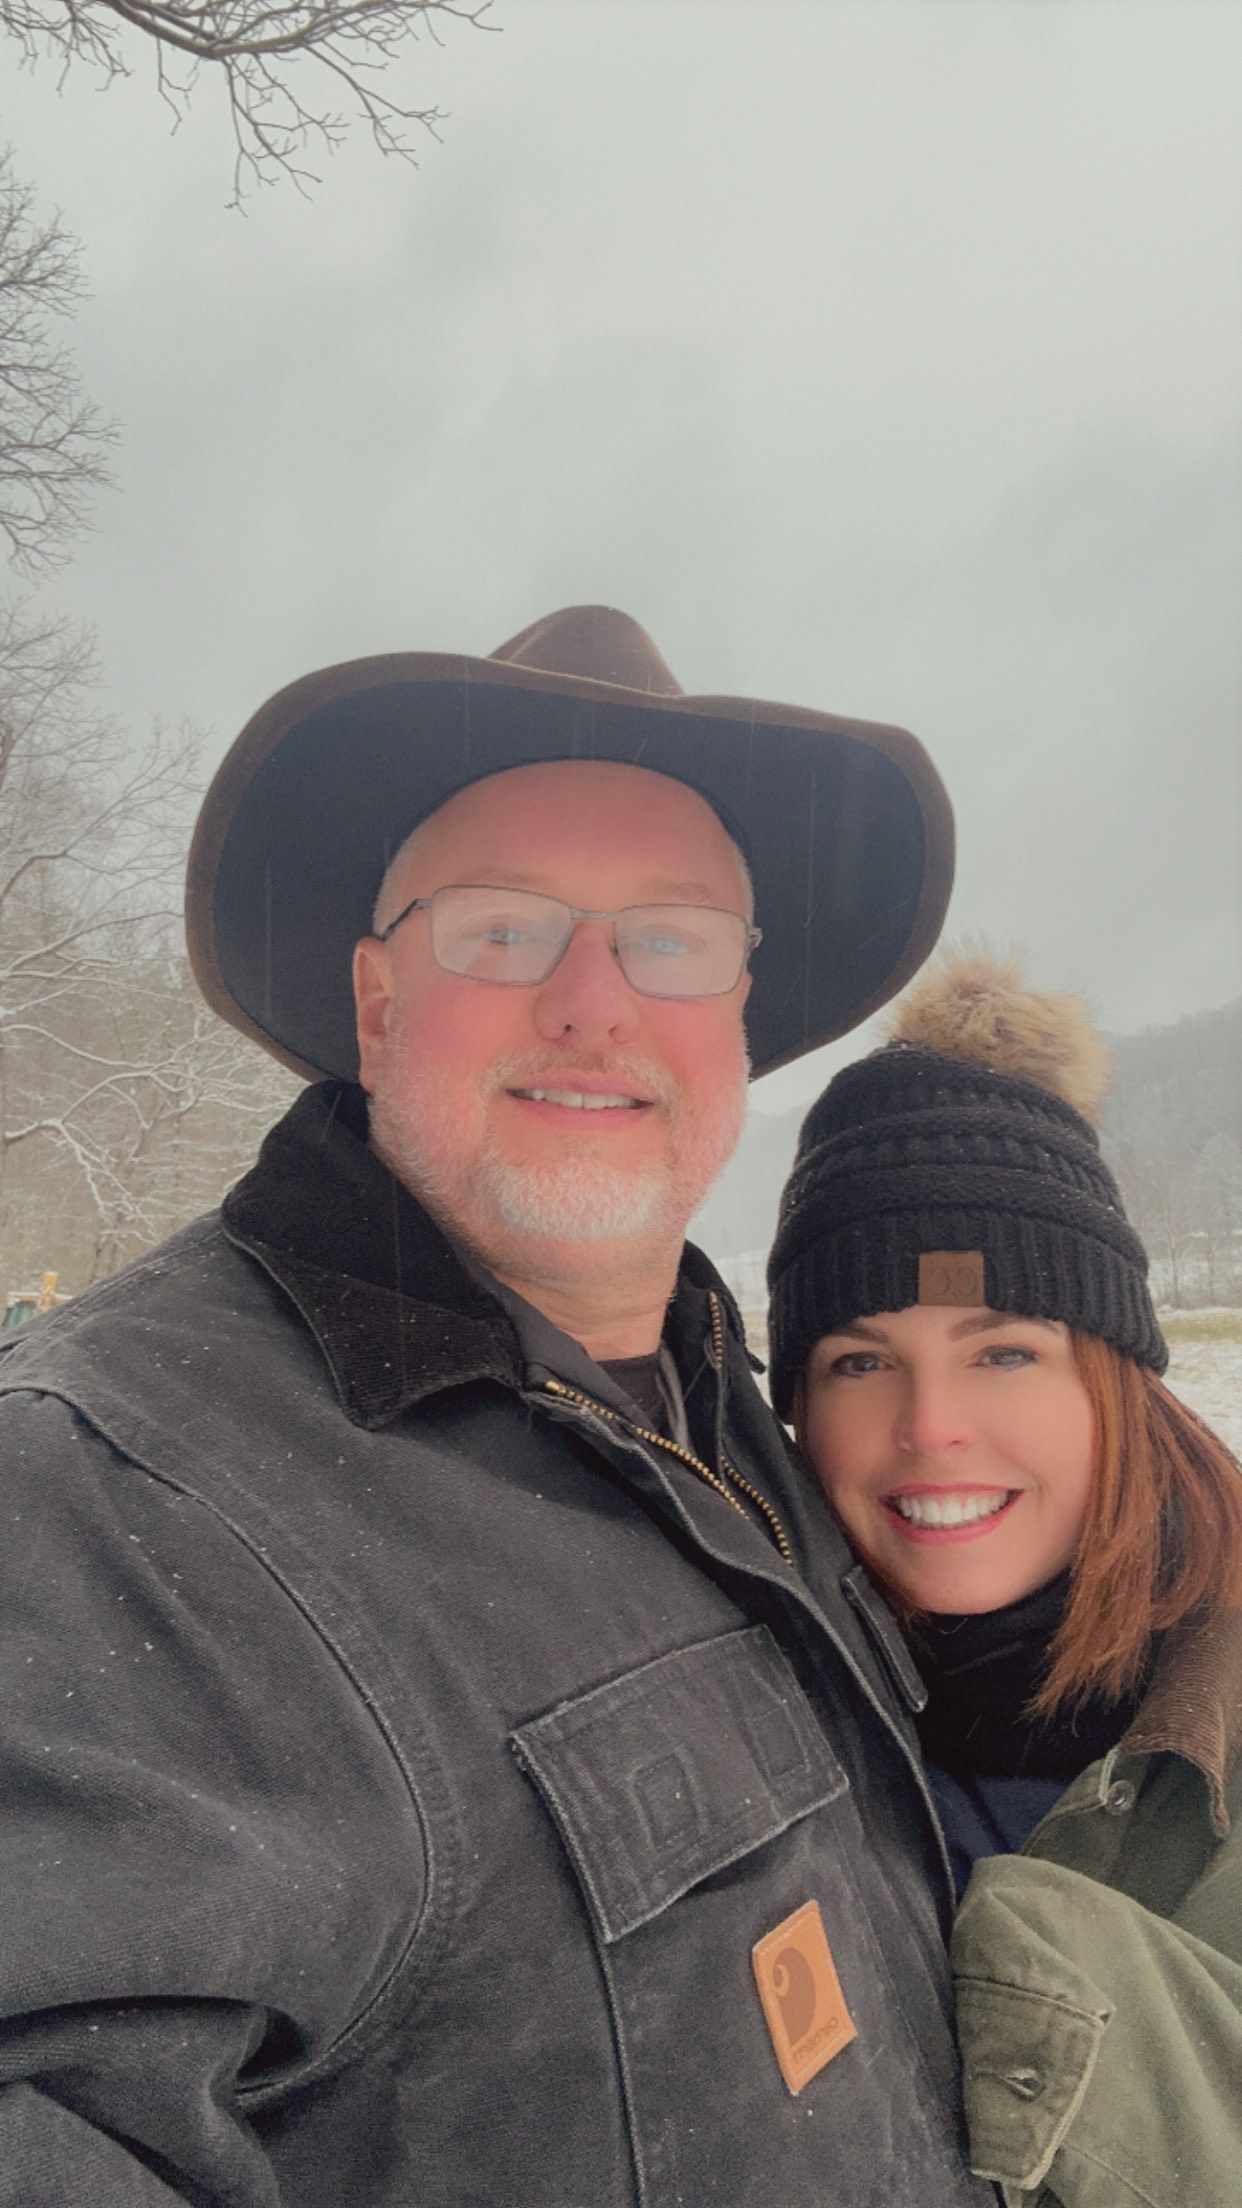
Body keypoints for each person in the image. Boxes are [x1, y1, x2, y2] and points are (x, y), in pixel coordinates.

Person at [0, 606, 996, 2206]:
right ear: (380, 1002)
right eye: (504, 929)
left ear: (733, 1018)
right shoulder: (98, 1509)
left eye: (668, 940)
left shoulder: (717, 1403)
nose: (594, 1002)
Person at [767, 952, 1242, 2208]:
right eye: (861, 1363)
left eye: (1005, 1352)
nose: (933, 1428)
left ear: (1116, 1385)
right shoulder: (735, 1726)